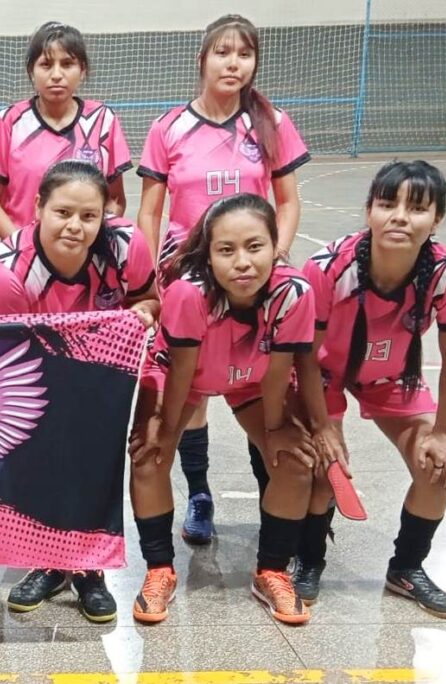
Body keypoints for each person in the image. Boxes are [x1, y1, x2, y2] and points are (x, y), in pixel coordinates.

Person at [136, 14, 311, 545]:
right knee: (192, 390)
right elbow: (149, 213)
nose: (233, 63)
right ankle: (200, 495)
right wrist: (151, 282)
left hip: (253, 273)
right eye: (222, 52)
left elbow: (287, 202)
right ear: (202, 59)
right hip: (190, 274)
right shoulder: (170, 127)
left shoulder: (271, 123)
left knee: (264, 381)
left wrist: (276, 259)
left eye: (244, 54)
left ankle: (274, 502)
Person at [293, 161, 446, 618]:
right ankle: (310, 561)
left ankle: (407, 568)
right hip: (324, 374)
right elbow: (302, 352)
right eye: (387, 204)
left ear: (436, 219)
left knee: (437, 467)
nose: (400, 216)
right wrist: (322, 426)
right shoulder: (329, 267)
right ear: (370, 212)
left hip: (392, 376)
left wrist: (444, 431)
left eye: (416, 208)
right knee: (325, 467)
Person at [131, 193, 326, 626]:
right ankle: (159, 569)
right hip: (186, 373)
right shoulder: (187, 293)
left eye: (254, 247)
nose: (242, 262)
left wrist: (276, 429)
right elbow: (183, 374)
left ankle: (271, 571)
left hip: (253, 378)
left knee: (294, 461)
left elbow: (279, 372)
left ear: (276, 246)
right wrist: (163, 427)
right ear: (209, 255)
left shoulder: (294, 293)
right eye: (226, 250)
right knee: (149, 457)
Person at [0, 160, 159, 623]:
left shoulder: (125, 247)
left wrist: (140, 313)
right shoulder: (8, 272)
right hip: (31, 373)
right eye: (62, 213)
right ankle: (48, 562)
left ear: (106, 215)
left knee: (95, 465)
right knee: (42, 460)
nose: (75, 226)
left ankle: (89, 568)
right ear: (38, 207)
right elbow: (4, 357)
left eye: (88, 216)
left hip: (103, 373)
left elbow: (148, 298)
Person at [0, 22, 132, 248]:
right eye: (46, 64)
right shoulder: (10, 120)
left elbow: (115, 200)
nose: (56, 75)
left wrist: (86, 240)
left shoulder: (102, 120)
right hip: (23, 256)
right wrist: (23, 247)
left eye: (67, 64)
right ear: (32, 70)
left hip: (83, 255)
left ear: (82, 70)